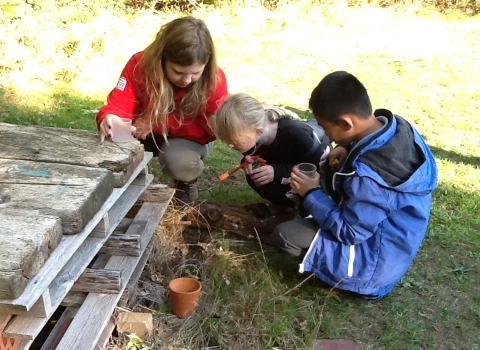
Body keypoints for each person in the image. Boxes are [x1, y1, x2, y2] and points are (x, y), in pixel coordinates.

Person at [273, 71, 438, 300]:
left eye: (325, 127)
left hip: (371, 268)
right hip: (393, 244)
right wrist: (350, 147)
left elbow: (351, 232)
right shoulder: (399, 126)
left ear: (346, 122)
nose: (326, 136)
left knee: (285, 235)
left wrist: (311, 193)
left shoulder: (368, 177)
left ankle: (351, 285)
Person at [96, 17, 228, 202]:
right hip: (143, 131)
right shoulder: (139, 65)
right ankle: (133, 185)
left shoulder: (215, 80)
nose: (187, 80)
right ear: (162, 58)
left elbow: (210, 130)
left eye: (195, 73)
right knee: (115, 139)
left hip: (189, 138)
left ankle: (185, 184)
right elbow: (120, 103)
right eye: (178, 72)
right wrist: (109, 118)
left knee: (180, 161)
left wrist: (158, 121)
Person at [211, 92, 331, 214]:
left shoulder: (296, 136)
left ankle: (304, 209)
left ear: (258, 131)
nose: (230, 146)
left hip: (319, 176)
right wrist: (247, 160)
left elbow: (314, 167)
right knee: (256, 176)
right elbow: (248, 153)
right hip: (288, 170)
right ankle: (283, 205)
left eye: (234, 142)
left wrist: (277, 172)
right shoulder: (255, 134)